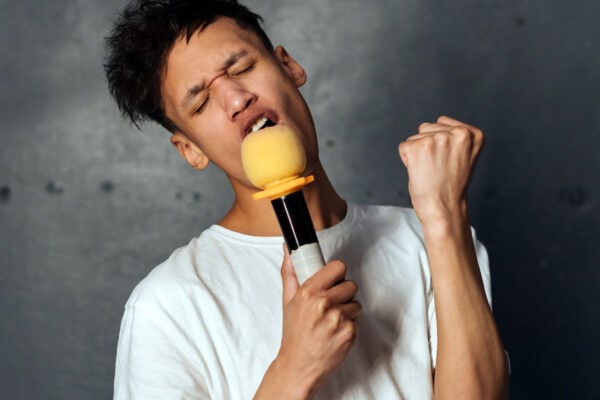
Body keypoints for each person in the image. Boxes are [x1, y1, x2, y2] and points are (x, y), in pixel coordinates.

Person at [105, 0, 509, 398]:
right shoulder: (168, 306)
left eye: (243, 67)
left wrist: (444, 216)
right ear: (190, 149)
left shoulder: (431, 239)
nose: (236, 98)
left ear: (289, 66)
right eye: (201, 101)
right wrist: (294, 369)